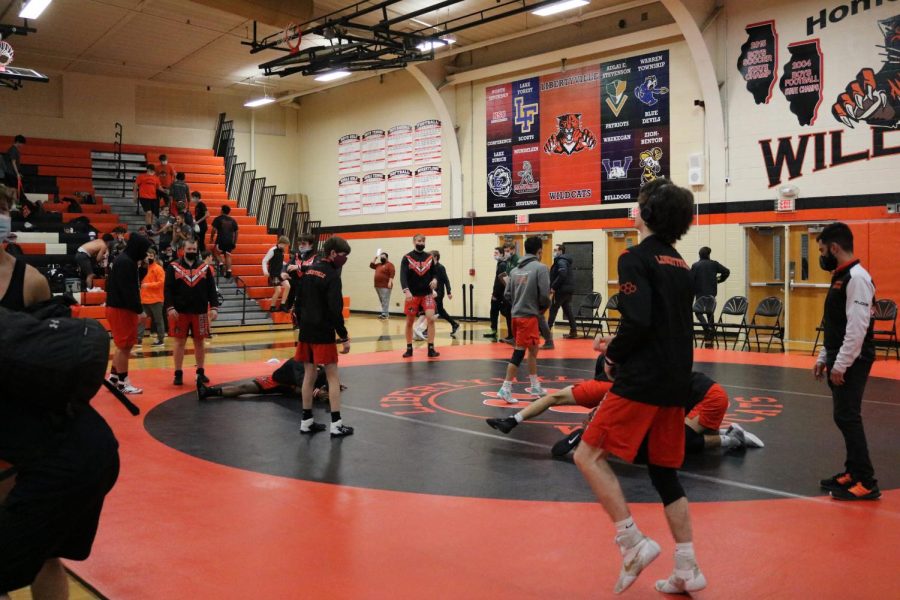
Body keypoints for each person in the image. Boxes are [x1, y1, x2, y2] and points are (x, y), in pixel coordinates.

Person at [572, 178, 705, 595]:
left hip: (643, 379)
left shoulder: (634, 258)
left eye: (639, 203)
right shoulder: (680, 264)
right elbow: (660, 326)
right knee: (665, 472)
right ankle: (687, 566)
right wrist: (621, 341)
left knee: (587, 455)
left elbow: (640, 321)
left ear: (645, 213)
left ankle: (631, 542)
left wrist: (612, 356)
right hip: (676, 380)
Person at [1, 188, 119, 600]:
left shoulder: (28, 279)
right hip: (26, 430)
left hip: (30, 426)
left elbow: (50, 355)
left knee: (44, 553)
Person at [814, 222, 880, 501]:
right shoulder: (840, 276)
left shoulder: (858, 278)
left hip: (854, 359)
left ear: (834, 247)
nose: (821, 256)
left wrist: (841, 364)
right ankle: (852, 471)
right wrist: (824, 355)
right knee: (843, 416)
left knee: (848, 417)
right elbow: (835, 323)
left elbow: (857, 327)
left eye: (821, 250)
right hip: (841, 355)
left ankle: (866, 480)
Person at [295, 236, 354, 437]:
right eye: (343, 256)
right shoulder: (332, 276)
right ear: (333, 253)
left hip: (306, 331)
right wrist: (344, 336)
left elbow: (298, 302)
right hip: (322, 332)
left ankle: (306, 421)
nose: (344, 260)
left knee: (309, 375)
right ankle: (337, 425)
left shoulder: (308, 271)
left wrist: (302, 325)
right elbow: (335, 310)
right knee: (332, 377)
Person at [497, 236, 550, 403]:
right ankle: (505, 388)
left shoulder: (514, 270)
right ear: (539, 251)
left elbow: (507, 295)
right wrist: (542, 307)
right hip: (529, 316)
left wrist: (519, 302)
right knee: (519, 353)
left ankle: (535, 385)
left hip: (517, 315)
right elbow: (544, 294)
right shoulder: (540, 268)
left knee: (533, 350)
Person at [165, 238, 219, 386]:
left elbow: (211, 289)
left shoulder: (205, 268)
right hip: (179, 312)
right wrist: (170, 307)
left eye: (194, 250)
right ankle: (178, 373)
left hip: (200, 311)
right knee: (178, 343)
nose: (191, 252)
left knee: (200, 342)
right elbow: (167, 289)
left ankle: (200, 372)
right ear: (183, 249)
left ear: (197, 250)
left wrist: (214, 307)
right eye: (189, 249)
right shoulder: (172, 267)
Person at [105, 233, 151, 395]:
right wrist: (139, 310)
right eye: (144, 250)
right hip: (122, 309)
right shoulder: (126, 263)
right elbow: (129, 291)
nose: (145, 254)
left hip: (118, 307)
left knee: (124, 345)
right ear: (137, 248)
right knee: (124, 346)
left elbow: (129, 286)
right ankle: (123, 383)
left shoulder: (125, 260)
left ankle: (113, 377)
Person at [198, 359, 343, 401]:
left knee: (306, 387)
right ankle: (210, 392)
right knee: (244, 388)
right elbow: (302, 384)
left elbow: (327, 375)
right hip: (278, 382)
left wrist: (332, 384)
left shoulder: (319, 367)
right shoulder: (297, 363)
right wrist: (317, 392)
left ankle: (209, 391)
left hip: (292, 385)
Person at [400, 233, 439, 359]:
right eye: (418, 241)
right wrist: (406, 291)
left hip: (427, 294)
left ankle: (431, 348)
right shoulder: (407, 258)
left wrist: (434, 281)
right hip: (413, 295)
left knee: (431, 318)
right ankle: (409, 348)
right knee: (410, 321)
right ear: (414, 242)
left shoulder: (429, 257)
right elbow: (403, 276)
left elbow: (434, 273)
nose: (421, 243)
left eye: (423, 241)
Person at [690, 247, 730, 347]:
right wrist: (719, 280)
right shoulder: (714, 264)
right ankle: (710, 334)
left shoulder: (695, 265)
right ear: (708, 255)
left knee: (698, 312)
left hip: (699, 294)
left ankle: (706, 329)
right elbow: (726, 271)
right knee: (709, 313)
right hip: (711, 294)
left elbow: (691, 279)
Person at [548, 243, 578, 339]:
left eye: (555, 250)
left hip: (561, 289)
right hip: (568, 289)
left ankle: (546, 330)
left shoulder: (561, 261)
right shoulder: (564, 261)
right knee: (567, 309)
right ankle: (574, 331)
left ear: (561, 251)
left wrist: (553, 287)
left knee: (553, 309)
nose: (554, 252)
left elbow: (562, 274)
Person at [137, 247, 166, 347]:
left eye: (151, 256)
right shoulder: (145, 269)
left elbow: (162, 283)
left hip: (156, 299)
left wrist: (148, 285)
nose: (149, 257)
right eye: (147, 256)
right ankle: (138, 339)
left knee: (158, 320)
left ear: (154, 257)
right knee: (141, 320)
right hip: (145, 300)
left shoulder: (158, 268)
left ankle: (161, 339)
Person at [431, 250, 460, 336]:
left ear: (435, 257)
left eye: (430, 256)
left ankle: (426, 330)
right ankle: (454, 324)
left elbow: (446, 280)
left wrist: (449, 292)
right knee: (440, 311)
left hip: (439, 292)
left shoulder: (440, 267)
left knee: (432, 310)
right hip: (432, 292)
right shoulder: (430, 267)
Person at [483, 247, 508, 340]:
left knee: (501, 312)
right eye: (494, 253)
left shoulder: (502, 265)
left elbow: (500, 281)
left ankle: (494, 330)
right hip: (499, 293)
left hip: (500, 294)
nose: (495, 254)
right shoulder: (500, 264)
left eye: (496, 253)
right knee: (496, 311)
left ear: (502, 254)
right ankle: (493, 329)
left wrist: (495, 294)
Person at [262, 236, 292, 312]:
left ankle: (282, 305)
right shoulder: (272, 250)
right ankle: (272, 307)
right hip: (273, 274)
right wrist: (265, 271)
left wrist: (287, 265)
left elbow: (280, 261)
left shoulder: (281, 250)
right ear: (281, 243)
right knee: (278, 290)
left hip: (279, 273)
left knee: (288, 286)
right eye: (285, 245)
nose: (285, 247)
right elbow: (264, 261)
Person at [210, 205, 239, 279]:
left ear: (222, 210)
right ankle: (229, 271)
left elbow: (213, 229)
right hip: (230, 241)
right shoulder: (233, 220)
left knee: (215, 252)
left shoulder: (218, 219)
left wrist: (211, 237)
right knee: (228, 255)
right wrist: (234, 242)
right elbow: (236, 232)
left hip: (221, 240)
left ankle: (221, 263)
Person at [134, 163, 164, 227]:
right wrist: (135, 196)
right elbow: (135, 186)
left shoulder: (156, 178)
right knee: (148, 212)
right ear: (147, 170)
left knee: (152, 214)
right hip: (144, 197)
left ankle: (149, 227)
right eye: (151, 171)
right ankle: (149, 229)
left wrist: (165, 192)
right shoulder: (141, 176)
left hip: (153, 198)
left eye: (153, 171)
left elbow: (159, 187)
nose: (152, 172)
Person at [369, 250, 395, 319]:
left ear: (387, 257)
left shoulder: (390, 265)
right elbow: (371, 265)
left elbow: (392, 274)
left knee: (385, 300)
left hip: (385, 286)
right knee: (382, 300)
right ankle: (385, 313)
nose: (382, 258)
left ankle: (385, 314)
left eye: (383, 257)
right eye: (381, 257)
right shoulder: (379, 265)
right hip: (377, 286)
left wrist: (390, 282)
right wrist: (375, 257)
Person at [2, 135, 25, 204]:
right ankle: (17, 204)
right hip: (10, 174)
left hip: (10, 173)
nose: (22, 145)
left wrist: (18, 173)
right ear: (18, 142)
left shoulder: (13, 149)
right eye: (22, 143)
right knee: (16, 190)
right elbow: (13, 162)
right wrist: (17, 173)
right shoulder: (13, 150)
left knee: (13, 190)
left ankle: (13, 204)